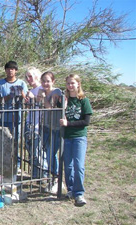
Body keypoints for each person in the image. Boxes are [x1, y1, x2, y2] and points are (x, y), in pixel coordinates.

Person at [60, 74, 92, 206]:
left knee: (78, 166)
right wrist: (63, 105)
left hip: (79, 137)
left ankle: (79, 194)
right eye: (68, 83)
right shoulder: (64, 100)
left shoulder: (83, 100)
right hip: (66, 137)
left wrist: (69, 124)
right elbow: (53, 110)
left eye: (73, 83)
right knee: (68, 166)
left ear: (78, 84)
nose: (70, 85)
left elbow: (86, 121)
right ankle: (71, 190)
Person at [0, 61, 28, 173]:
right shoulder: (0, 83)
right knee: (1, 142)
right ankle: (0, 163)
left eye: (12, 69)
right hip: (2, 118)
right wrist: (9, 96)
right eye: (8, 69)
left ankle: (16, 165)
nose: (10, 71)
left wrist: (22, 95)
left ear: (16, 71)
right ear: (5, 70)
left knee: (15, 143)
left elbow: (26, 101)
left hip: (15, 119)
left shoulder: (22, 83)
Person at [37, 71, 63, 191]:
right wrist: (39, 96)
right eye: (43, 81)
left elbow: (50, 108)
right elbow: (37, 105)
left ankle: (56, 179)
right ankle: (53, 178)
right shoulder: (42, 92)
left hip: (56, 128)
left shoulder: (56, 92)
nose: (45, 83)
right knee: (48, 153)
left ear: (53, 81)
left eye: (48, 81)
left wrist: (42, 97)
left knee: (52, 153)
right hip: (45, 126)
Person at [24, 67, 47, 179]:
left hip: (38, 123)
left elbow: (43, 106)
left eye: (30, 76)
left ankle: (43, 174)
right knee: (30, 149)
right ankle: (34, 173)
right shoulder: (31, 90)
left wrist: (34, 100)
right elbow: (30, 108)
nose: (28, 79)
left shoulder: (42, 89)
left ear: (37, 76)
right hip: (29, 121)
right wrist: (28, 102)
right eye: (27, 77)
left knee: (38, 150)